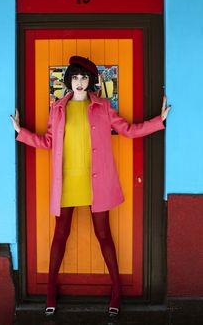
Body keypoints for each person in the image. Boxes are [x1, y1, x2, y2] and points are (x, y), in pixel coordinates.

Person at [10, 55, 171, 317]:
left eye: (84, 78)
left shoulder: (103, 107)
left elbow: (128, 130)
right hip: (67, 183)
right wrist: (21, 132)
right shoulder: (58, 109)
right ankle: (50, 290)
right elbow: (49, 141)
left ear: (91, 81)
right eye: (75, 77)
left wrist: (158, 121)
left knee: (104, 235)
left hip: (97, 182)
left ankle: (117, 291)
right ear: (69, 80)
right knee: (59, 236)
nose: (80, 83)